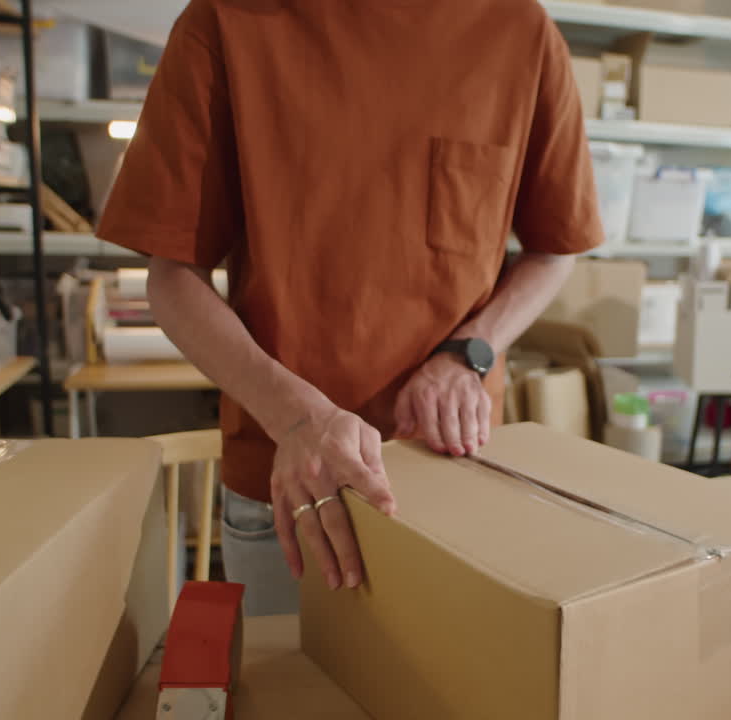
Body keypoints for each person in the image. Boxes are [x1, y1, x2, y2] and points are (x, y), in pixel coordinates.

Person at [97, 0, 603, 615]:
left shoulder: (519, 31)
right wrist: (296, 418)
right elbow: (173, 276)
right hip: (290, 488)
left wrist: (468, 354)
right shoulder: (226, 22)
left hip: (453, 472)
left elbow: (555, 250)